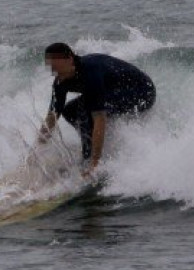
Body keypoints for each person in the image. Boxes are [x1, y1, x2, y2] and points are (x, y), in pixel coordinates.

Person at [36, 42, 155, 178]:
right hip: (113, 92)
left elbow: (99, 118)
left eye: (57, 67)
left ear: (70, 59)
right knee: (69, 111)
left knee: (88, 109)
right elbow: (52, 116)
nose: (54, 72)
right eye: (51, 68)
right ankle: (88, 151)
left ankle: (93, 161)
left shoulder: (90, 72)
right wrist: (38, 149)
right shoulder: (60, 82)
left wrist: (94, 165)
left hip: (142, 92)